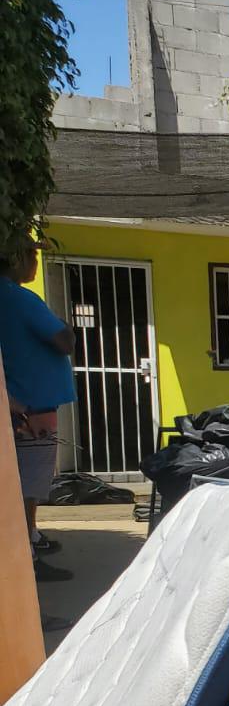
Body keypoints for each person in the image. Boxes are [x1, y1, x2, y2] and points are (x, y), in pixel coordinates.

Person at [2, 240, 76, 584]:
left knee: (24, 490)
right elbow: (63, 340)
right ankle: (26, 564)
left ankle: (30, 546)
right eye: (31, 253)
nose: (35, 260)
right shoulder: (19, 298)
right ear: (14, 257)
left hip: (23, 407)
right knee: (26, 489)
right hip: (29, 411)